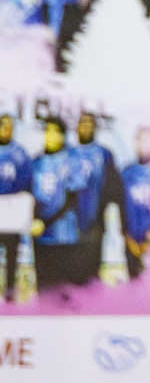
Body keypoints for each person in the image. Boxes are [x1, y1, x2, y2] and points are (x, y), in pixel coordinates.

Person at [30, 117, 86, 288]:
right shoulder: (36, 162)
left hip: (63, 237)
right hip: (40, 238)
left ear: (63, 136)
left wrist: (45, 222)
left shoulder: (71, 161)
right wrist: (33, 220)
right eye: (48, 132)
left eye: (56, 133)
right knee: (44, 288)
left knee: (63, 291)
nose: (51, 136)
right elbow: (30, 197)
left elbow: (72, 199)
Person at [72, 112, 122, 281]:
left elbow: (114, 188)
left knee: (92, 273)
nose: (86, 126)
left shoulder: (104, 154)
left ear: (96, 128)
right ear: (76, 127)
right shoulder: (68, 154)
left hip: (95, 223)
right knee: (71, 273)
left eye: (90, 123)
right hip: (69, 225)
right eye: (82, 123)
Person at [120, 129, 150, 279]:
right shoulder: (126, 172)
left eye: (148, 141)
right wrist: (128, 239)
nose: (143, 145)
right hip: (130, 243)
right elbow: (119, 207)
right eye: (140, 140)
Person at [0, 113, 32, 302]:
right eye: (2, 124)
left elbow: (27, 181)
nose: (6, 129)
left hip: (12, 211)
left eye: (9, 125)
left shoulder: (20, 153)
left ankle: (10, 288)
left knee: (12, 252)